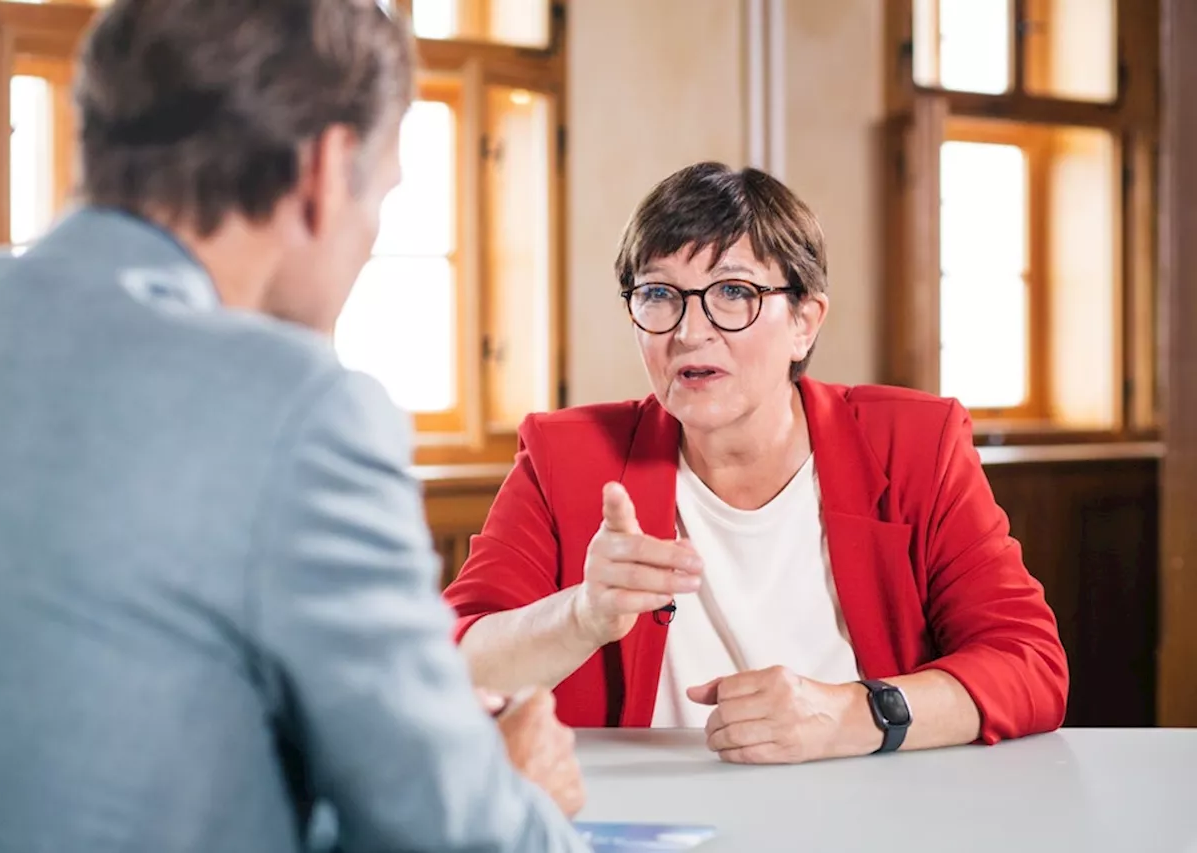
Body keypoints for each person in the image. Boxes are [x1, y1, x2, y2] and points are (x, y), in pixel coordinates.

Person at [0, 2, 587, 851]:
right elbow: (453, 835)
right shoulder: (301, 410)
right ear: (325, 168)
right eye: (382, 195)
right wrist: (513, 791)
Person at [443, 161, 1069, 764]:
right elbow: (449, 666)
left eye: (734, 292)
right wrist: (580, 615)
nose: (690, 331)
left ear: (804, 321)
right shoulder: (566, 456)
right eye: (660, 294)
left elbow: (1030, 663)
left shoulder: (913, 444)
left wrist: (851, 716)